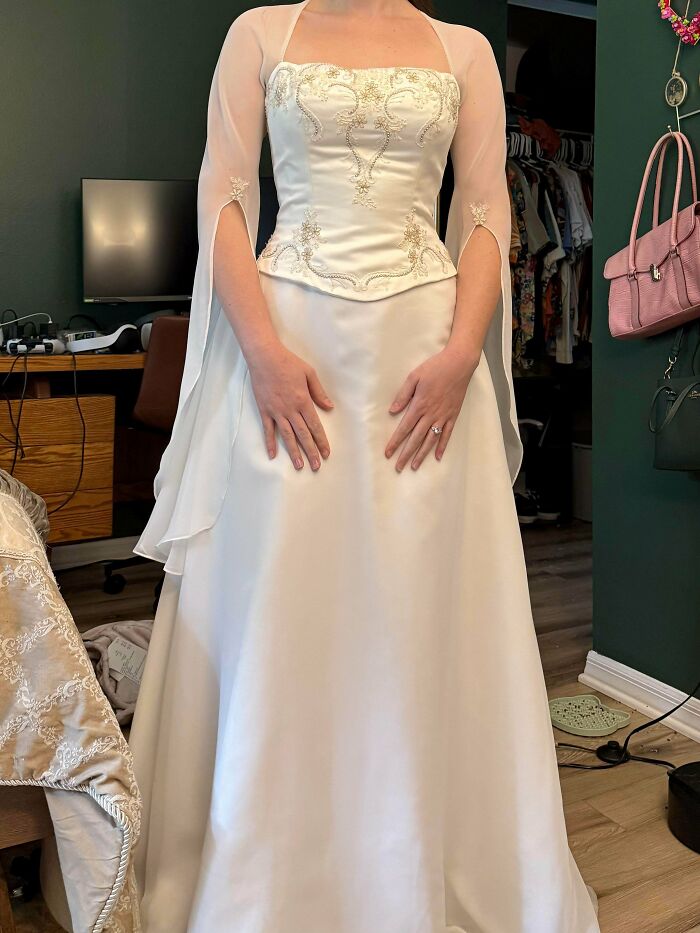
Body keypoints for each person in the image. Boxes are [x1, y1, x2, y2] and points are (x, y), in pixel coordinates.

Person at [128, 1, 601, 930]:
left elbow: (485, 207)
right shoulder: (259, 32)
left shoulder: (463, 48)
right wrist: (259, 351)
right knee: (281, 598)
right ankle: (261, 874)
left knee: (415, 601)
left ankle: (417, 860)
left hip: (422, 355)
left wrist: (466, 350)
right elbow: (220, 193)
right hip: (288, 346)